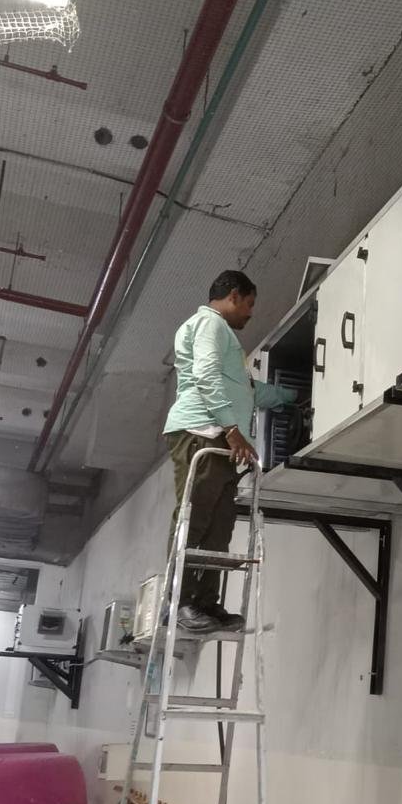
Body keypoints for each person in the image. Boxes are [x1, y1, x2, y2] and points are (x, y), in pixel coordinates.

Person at [162, 270, 296, 634]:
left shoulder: (226, 343)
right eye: (249, 304)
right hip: (201, 433)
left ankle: (206, 603)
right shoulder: (210, 324)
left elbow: (251, 391)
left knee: (219, 529)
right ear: (234, 295)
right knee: (195, 519)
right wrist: (233, 430)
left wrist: (292, 397)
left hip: (220, 440)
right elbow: (205, 375)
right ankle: (178, 604)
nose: (250, 313)